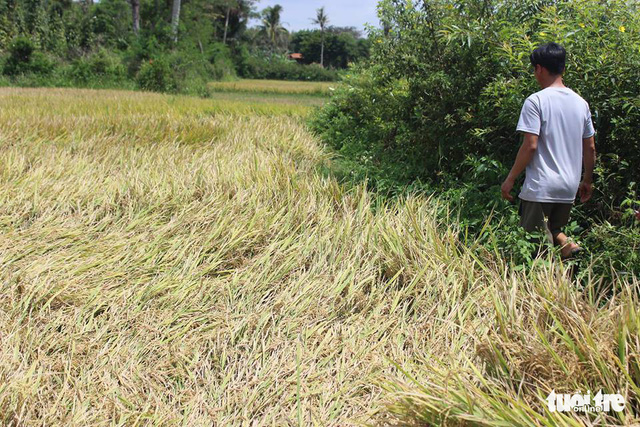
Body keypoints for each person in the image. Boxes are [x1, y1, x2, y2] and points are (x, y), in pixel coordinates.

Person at [501, 42, 596, 260]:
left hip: (541, 187)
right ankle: (568, 246)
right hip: (568, 187)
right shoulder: (581, 104)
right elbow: (590, 147)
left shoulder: (536, 101)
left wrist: (510, 179)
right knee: (554, 231)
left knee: (536, 250)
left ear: (540, 68)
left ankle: (543, 289)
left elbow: (530, 146)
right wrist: (587, 180)